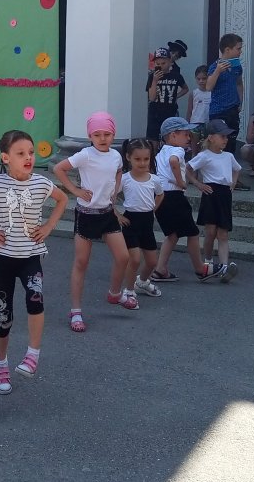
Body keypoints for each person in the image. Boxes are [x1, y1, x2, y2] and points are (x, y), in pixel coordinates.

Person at [0, 130, 68, 395]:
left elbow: (63, 199)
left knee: (36, 299)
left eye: (31, 152)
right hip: (4, 259)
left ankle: (33, 355)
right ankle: (1, 365)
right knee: (4, 318)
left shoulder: (42, 184)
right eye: (21, 153)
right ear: (6, 157)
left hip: (31, 256)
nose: (28, 158)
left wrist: (49, 226)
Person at [53, 111, 135, 332]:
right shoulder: (85, 155)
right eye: (97, 134)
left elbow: (118, 171)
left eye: (107, 134)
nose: (102, 138)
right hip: (87, 215)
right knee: (81, 263)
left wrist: (115, 191)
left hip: (107, 213)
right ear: (90, 136)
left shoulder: (116, 156)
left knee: (123, 256)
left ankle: (114, 294)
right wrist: (75, 190)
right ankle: (76, 311)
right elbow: (58, 169)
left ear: (113, 134)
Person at [150, 117, 207, 282]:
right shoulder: (177, 151)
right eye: (186, 134)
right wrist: (181, 182)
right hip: (174, 197)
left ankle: (160, 269)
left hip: (160, 196)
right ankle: (200, 269)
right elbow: (174, 162)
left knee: (172, 234)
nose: (189, 138)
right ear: (173, 136)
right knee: (193, 233)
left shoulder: (161, 151)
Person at [188, 119, 244, 282]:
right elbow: (189, 169)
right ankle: (208, 261)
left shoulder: (228, 156)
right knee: (210, 231)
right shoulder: (204, 156)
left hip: (224, 194)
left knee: (223, 232)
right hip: (211, 193)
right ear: (211, 137)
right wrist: (198, 184)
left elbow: (237, 169)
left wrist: (233, 183)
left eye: (227, 137)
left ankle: (224, 267)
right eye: (222, 136)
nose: (226, 139)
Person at [117, 138, 165, 298]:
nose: (142, 163)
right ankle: (129, 290)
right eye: (138, 159)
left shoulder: (154, 180)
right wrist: (117, 215)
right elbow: (110, 198)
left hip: (147, 222)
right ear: (128, 157)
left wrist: (153, 209)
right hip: (130, 221)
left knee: (152, 262)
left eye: (146, 159)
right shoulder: (125, 179)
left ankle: (142, 282)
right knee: (135, 259)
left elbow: (160, 195)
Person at [205, 33, 248, 189]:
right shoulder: (215, 65)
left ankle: (231, 178)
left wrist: (240, 101)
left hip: (232, 109)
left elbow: (239, 82)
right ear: (227, 49)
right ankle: (214, 176)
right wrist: (217, 71)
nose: (240, 51)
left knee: (230, 143)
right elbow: (208, 87)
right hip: (218, 110)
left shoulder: (236, 66)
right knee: (217, 143)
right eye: (238, 48)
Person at [145, 47, 188, 141]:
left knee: (170, 137)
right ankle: (155, 155)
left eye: (163, 63)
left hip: (170, 111)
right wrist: (155, 81)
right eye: (158, 63)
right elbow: (151, 97)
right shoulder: (152, 76)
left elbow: (185, 88)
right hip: (155, 112)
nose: (161, 66)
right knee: (153, 139)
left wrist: (176, 96)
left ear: (170, 62)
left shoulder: (176, 75)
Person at [184, 65, 211, 137]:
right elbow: (189, 110)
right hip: (195, 124)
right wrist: (187, 126)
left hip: (208, 124)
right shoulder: (193, 93)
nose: (201, 81)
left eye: (204, 78)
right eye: (198, 79)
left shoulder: (212, 93)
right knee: (195, 146)